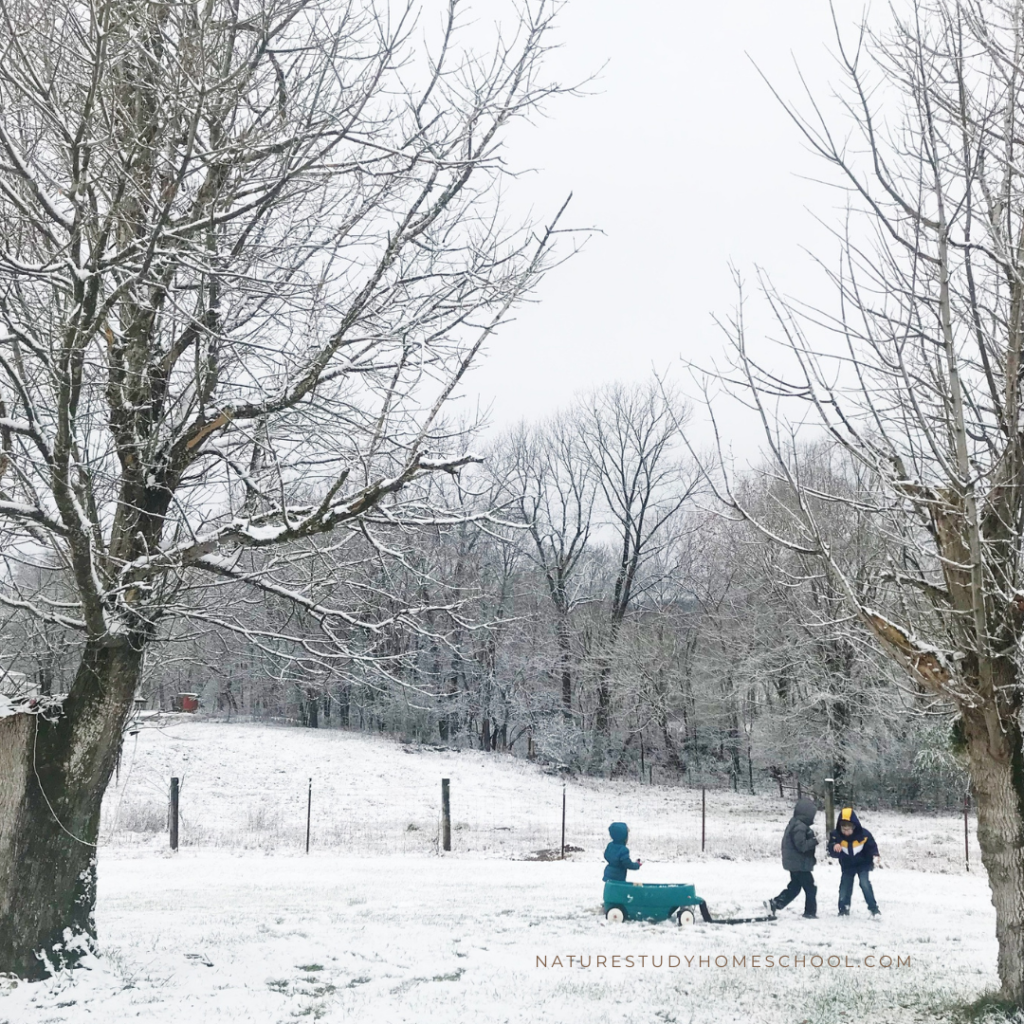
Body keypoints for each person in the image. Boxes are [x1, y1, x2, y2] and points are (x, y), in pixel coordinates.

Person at [767, 797, 818, 918]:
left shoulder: (795, 823)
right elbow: (801, 846)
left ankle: (775, 903)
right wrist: (815, 841)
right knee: (810, 887)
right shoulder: (800, 826)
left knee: (795, 887)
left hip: (795, 864)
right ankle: (810, 912)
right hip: (799, 864)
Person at [828, 806, 881, 916]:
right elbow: (831, 851)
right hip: (847, 866)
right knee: (844, 887)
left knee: (865, 884)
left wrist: (875, 855)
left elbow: (872, 846)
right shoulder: (836, 836)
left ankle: (874, 909)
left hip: (863, 865)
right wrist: (834, 848)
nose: (846, 832)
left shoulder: (864, 835)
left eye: (848, 829)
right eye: (843, 829)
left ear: (854, 827)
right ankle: (843, 908)